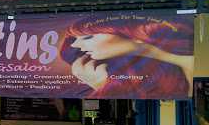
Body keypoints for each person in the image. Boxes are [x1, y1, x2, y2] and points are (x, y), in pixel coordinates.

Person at [60, 14, 194, 99]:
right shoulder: (170, 76)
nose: (75, 45)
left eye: (88, 37)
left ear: (134, 33)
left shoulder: (194, 63)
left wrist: (101, 86)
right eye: (75, 39)